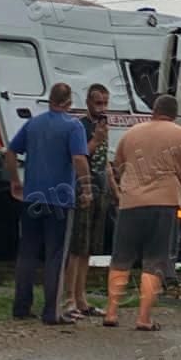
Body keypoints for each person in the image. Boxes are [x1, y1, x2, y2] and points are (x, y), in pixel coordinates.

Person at [104, 94, 181, 331]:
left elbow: (118, 165)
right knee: (154, 261)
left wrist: (128, 182)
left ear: (153, 111)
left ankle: (111, 312)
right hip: (164, 203)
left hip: (130, 202)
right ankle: (143, 318)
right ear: (174, 114)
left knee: (121, 259)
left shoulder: (132, 133)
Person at [4, 82, 91, 325]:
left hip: (32, 197)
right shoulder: (74, 126)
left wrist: (15, 180)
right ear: (69, 101)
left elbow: (10, 152)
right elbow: (78, 159)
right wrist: (86, 187)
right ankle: (52, 311)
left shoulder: (33, 123)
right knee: (56, 255)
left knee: (28, 253)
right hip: (60, 201)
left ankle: (21, 306)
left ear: (50, 99)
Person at [63, 83, 119, 320]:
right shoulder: (81, 127)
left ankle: (81, 297)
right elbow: (79, 156)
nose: (102, 108)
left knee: (88, 248)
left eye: (105, 103)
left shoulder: (103, 127)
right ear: (88, 103)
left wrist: (116, 191)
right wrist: (96, 139)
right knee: (76, 247)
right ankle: (68, 299)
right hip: (82, 190)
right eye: (98, 103)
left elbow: (104, 162)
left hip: (101, 190)